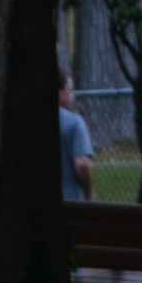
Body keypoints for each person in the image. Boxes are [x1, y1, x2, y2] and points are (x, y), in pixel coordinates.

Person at [58, 70, 95, 201]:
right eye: (70, 89)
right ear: (60, 92)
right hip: (71, 200)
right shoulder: (74, 122)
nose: (72, 95)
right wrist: (89, 193)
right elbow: (81, 164)